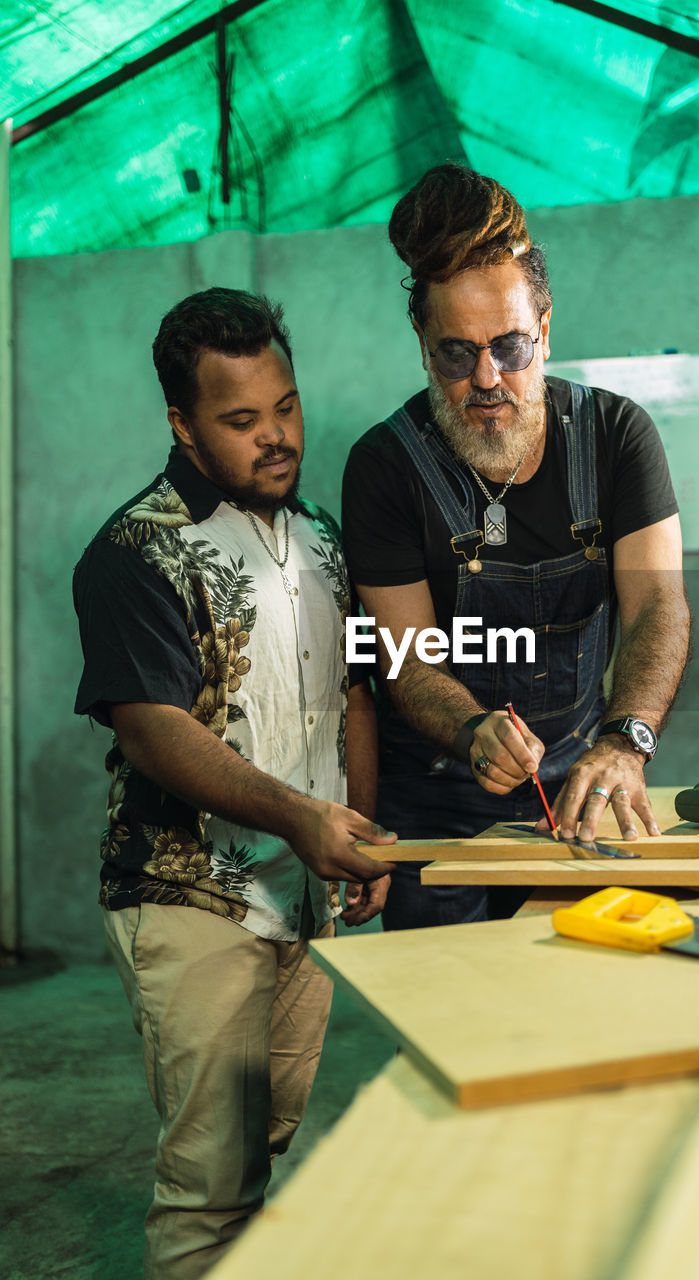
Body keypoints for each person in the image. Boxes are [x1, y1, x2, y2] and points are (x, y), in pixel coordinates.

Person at [72, 287, 396, 1279]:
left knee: (264, 1142)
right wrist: (306, 817)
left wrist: (360, 829)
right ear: (182, 423)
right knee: (207, 1186)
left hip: (301, 892)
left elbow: (352, 694)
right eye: (241, 420)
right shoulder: (135, 552)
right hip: (187, 897)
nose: (276, 438)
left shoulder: (326, 540)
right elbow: (155, 730)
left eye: (286, 407)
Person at [342, 164, 691, 930]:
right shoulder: (384, 468)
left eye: (510, 346)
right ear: (421, 341)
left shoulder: (616, 437)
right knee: (451, 1015)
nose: (486, 380)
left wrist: (625, 740)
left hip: (575, 790)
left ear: (545, 327)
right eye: (455, 355)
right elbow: (407, 660)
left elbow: (656, 606)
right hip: (431, 804)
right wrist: (471, 729)